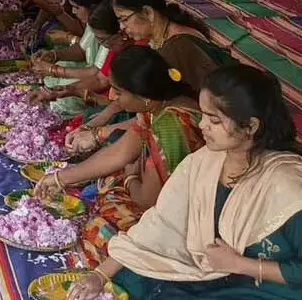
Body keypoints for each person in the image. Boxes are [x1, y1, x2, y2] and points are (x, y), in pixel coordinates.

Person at [69, 65, 302, 300]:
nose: (201, 126)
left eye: (214, 119)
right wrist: (99, 274)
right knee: (134, 281)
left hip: (284, 299)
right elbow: (160, 224)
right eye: (202, 115)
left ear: (250, 126)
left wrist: (241, 264)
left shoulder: (289, 184)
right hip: (225, 276)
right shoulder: (205, 162)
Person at [36, 45, 203, 264]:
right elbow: (121, 151)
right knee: (103, 180)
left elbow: (147, 200)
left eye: (119, 91)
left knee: (102, 227)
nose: (112, 96)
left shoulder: (172, 125)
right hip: (149, 190)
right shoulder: (157, 106)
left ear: (143, 95)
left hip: (181, 218)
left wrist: (131, 176)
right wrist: (59, 178)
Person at [113, 0, 233, 94]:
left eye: (124, 19)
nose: (121, 27)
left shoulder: (177, 46)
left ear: (148, 13)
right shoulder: (167, 34)